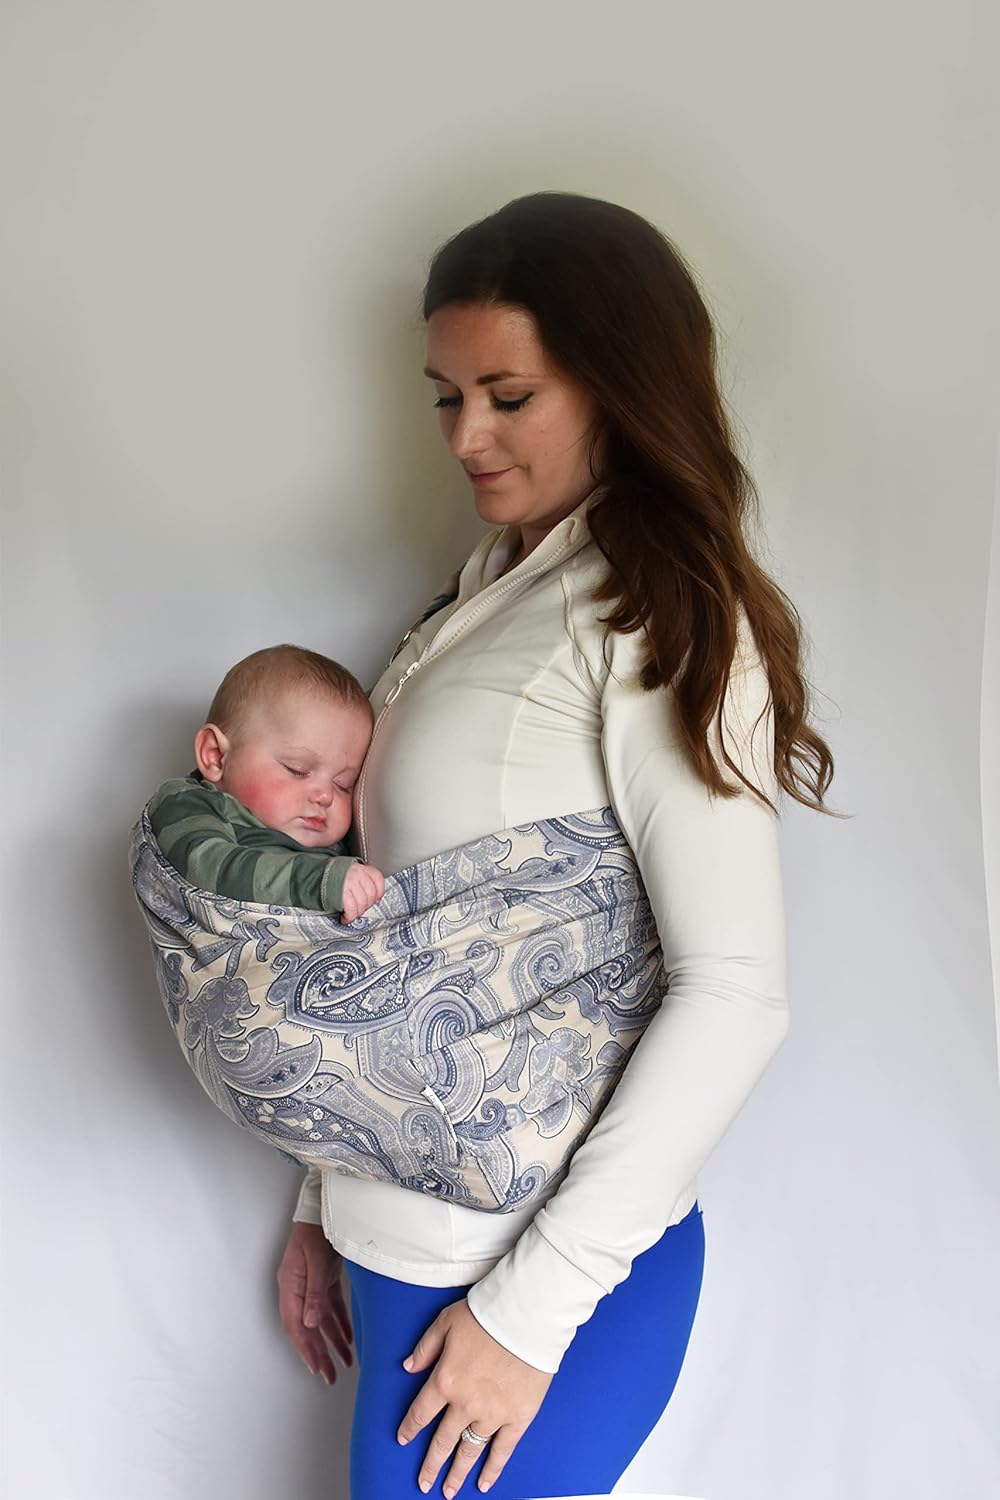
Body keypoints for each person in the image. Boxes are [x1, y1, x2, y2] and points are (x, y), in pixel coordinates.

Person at [275, 192, 834, 1500]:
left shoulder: (660, 615)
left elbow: (736, 991)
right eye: (445, 396)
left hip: (531, 1282)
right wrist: (321, 1199)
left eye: (509, 396)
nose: (464, 435)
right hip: (407, 1247)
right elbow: (397, 930)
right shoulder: (481, 598)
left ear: (620, 385)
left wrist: (531, 1316)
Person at [149, 644, 385, 921]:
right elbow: (205, 867)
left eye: (344, 784)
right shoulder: (188, 802)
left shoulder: (334, 841)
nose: (325, 796)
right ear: (215, 756)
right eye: (297, 770)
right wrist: (319, 881)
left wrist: (357, 881)